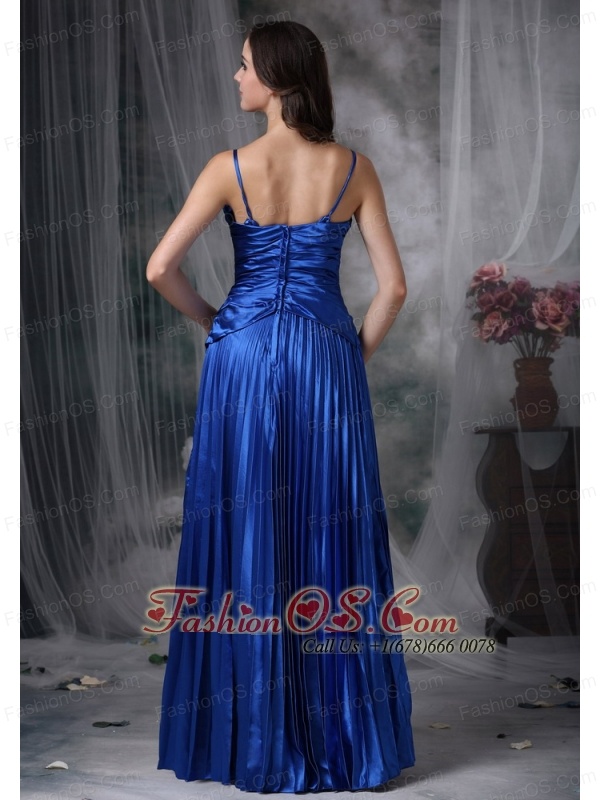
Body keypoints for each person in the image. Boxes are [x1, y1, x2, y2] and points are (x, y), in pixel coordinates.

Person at [147, 19, 415, 794]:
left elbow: (160, 268)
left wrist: (217, 323)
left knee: (246, 524)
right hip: (326, 354)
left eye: (244, 67)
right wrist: (350, 357)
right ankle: (345, 741)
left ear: (273, 75)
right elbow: (394, 289)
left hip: (242, 355)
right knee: (330, 525)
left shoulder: (229, 167)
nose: (237, 78)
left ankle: (251, 738)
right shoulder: (353, 168)